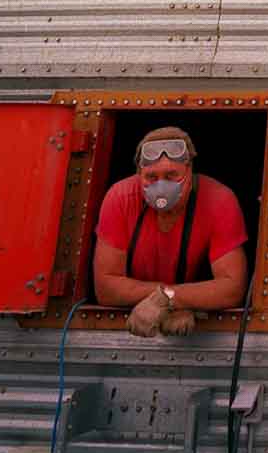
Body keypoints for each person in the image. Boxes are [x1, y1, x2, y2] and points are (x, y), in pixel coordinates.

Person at [92, 125, 248, 337]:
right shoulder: (119, 197)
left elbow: (232, 289)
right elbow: (106, 287)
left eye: (172, 175)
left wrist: (168, 299)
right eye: (151, 177)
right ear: (139, 175)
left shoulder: (220, 200)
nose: (161, 185)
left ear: (189, 170)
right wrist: (173, 298)